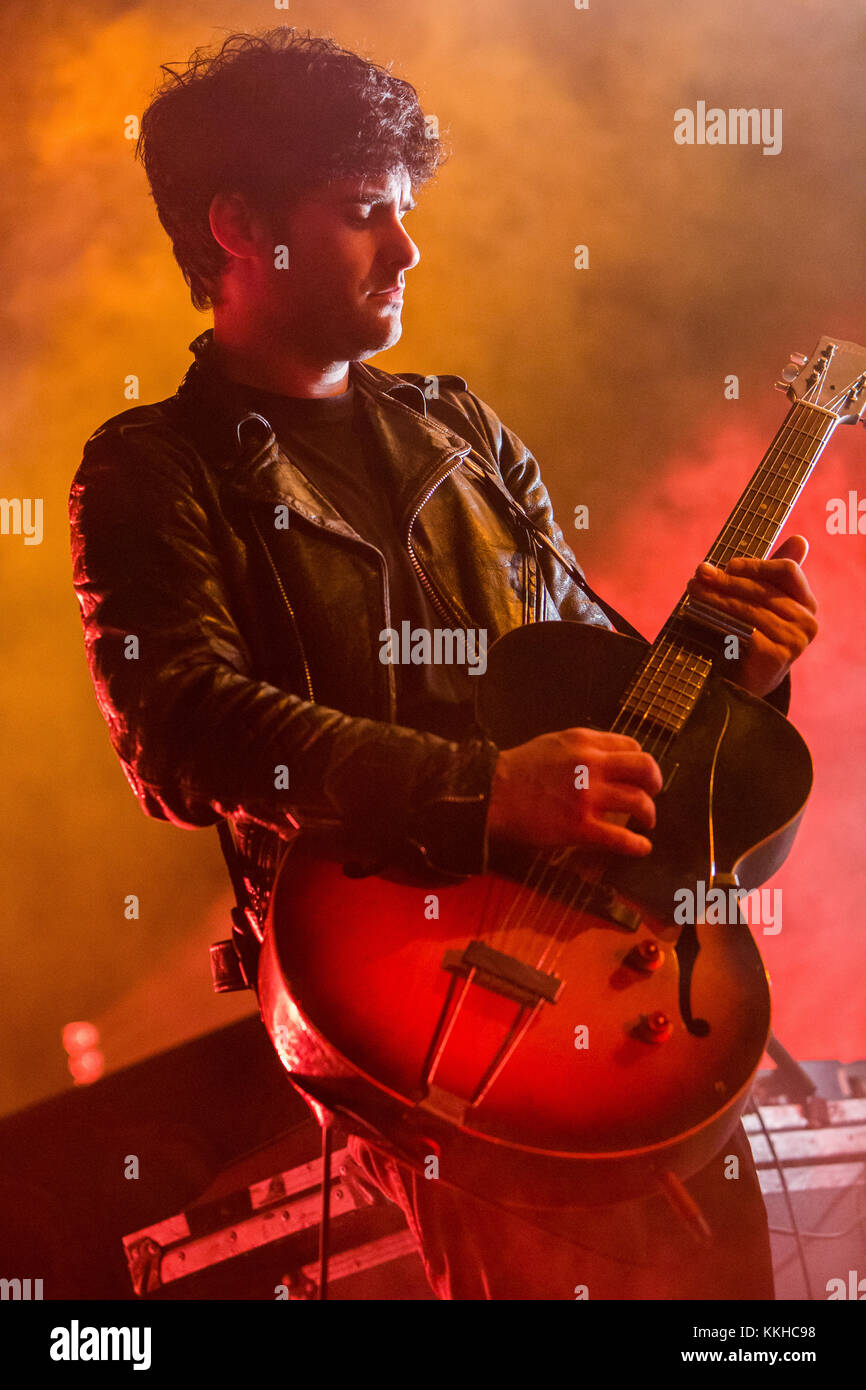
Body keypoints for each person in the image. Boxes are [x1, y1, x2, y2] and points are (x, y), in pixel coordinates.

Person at [68, 28, 818, 1300]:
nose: (407, 249)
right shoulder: (153, 467)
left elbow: (610, 713)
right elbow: (178, 729)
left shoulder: (462, 429)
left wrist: (734, 681)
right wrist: (484, 791)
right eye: (365, 213)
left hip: (627, 980)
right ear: (239, 226)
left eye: (402, 213)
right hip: (435, 998)